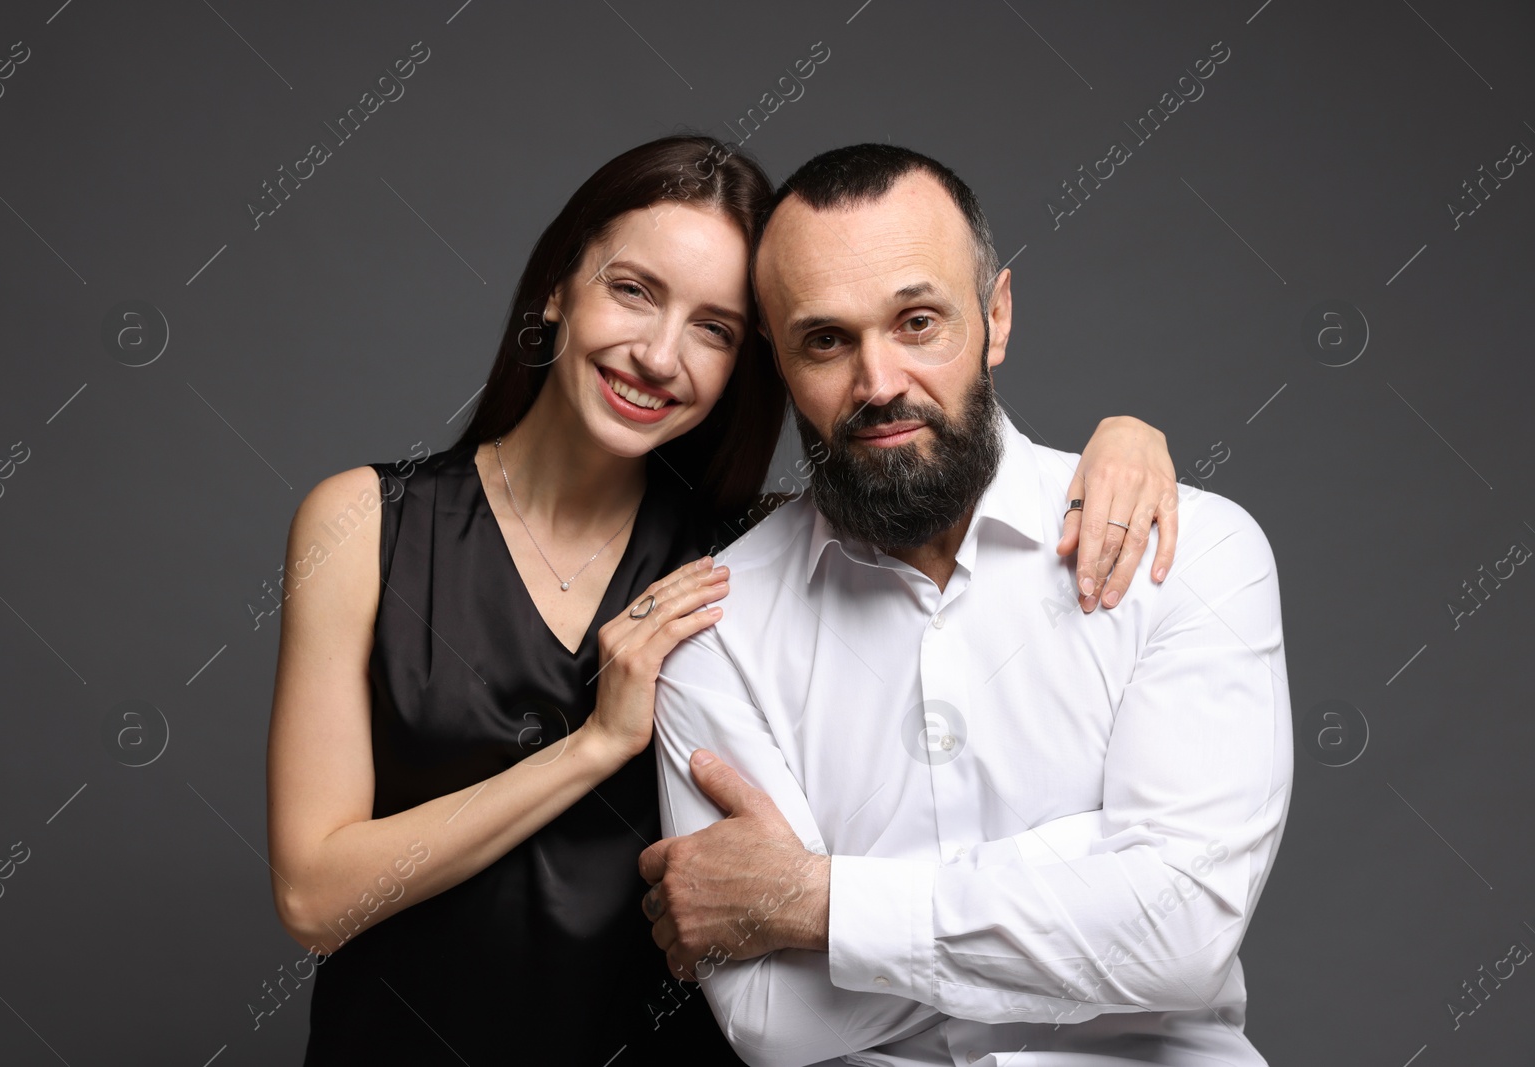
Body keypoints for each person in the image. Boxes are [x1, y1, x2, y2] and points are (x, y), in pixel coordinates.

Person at [265, 135, 1184, 1065]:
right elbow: (313, 896)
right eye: (633, 290)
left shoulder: (756, 551)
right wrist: (593, 747)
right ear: (557, 289)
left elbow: (949, 486)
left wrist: (1124, 440)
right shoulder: (362, 524)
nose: (659, 355)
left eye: (713, 328)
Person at [641, 143, 1293, 1067]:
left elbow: (1182, 935)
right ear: (778, 360)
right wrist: (1095, 871)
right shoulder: (717, 629)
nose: (879, 384)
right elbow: (771, 1020)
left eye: (917, 322)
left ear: (995, 317)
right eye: (826, 340)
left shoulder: (1193, 553)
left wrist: (814, 902)